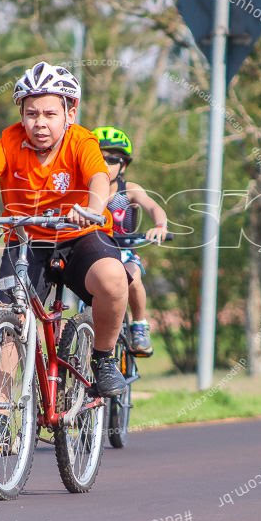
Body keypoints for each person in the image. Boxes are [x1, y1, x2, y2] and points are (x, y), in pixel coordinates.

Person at [0, 62, 129, 400]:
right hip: (27, 241)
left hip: (79, 237)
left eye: (49, 113)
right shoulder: (10, 141)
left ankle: (103, 360)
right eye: (31, 113)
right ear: (21, 114)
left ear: (69, 113)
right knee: (7, 316)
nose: (39, 122)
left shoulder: (81, 141)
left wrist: (93, 209)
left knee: (114, 279)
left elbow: (99, 179)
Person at [92, 126, 168, 356]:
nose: (105, 164)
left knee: (132, 278)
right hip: (94, 252)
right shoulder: (86, 191)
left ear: (123, 165)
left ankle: (139, 325)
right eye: (99, 158)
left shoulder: (129, 190)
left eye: (112, 160)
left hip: (124, 251)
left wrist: (159, 226)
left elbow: (154, 207)